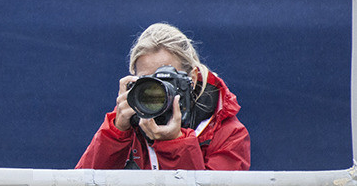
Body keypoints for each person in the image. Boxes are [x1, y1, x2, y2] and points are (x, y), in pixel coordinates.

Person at [75, 23, 250, 171]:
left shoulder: (228, 134)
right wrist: (117, 132)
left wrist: (174, 143)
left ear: (193, 78)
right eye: (147, 81)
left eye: (165, 79)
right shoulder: (129, 120)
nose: (155, 90)